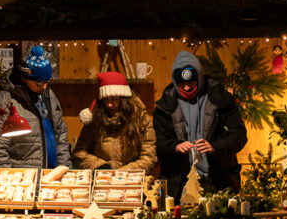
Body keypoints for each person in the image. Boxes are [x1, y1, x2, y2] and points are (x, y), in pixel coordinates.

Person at [154, 50, 247, 198]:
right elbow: (157, 143)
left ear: (199, 77)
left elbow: (239, 135)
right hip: (178, 185)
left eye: (191, 83)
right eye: (181, 84)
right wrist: (175, 146)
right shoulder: (163, 107)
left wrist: (215, 148)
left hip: (219, 181)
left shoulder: (222, 100)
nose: (187, 88)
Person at [0, 46, 71, 169]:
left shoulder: (48, 95)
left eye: (47, 82)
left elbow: (60, 133)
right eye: (39, 83)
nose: (44, 87)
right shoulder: (3, 101)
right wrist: (6, 180)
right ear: (24, 78)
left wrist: (64, 168)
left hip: (51, 177)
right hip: (22, 179)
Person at [72, 71, 157, 171]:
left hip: (132, 180)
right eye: (105, 99)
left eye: (114, 99)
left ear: (124, 99)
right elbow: (80, 152)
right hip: (102, 178)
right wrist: (101, 167)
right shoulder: (95, 120)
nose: (109, 104)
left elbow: (148, 157)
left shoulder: (141, 120)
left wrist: (122, 173)